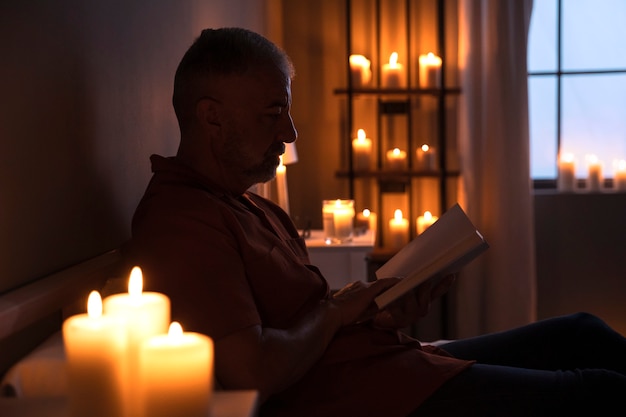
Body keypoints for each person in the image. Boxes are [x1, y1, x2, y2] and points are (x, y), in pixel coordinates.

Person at [125, 27, 626, 417]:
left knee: (582, 332)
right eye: (273, 113)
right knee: (600, 393)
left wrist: (381, 313)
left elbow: (307, 318)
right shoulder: (182, 221)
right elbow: (250, 368)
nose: (290, 131)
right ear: (212, 117)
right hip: (365, 398)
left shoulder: (250, 204)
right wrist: (338, 313)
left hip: (385, 364)